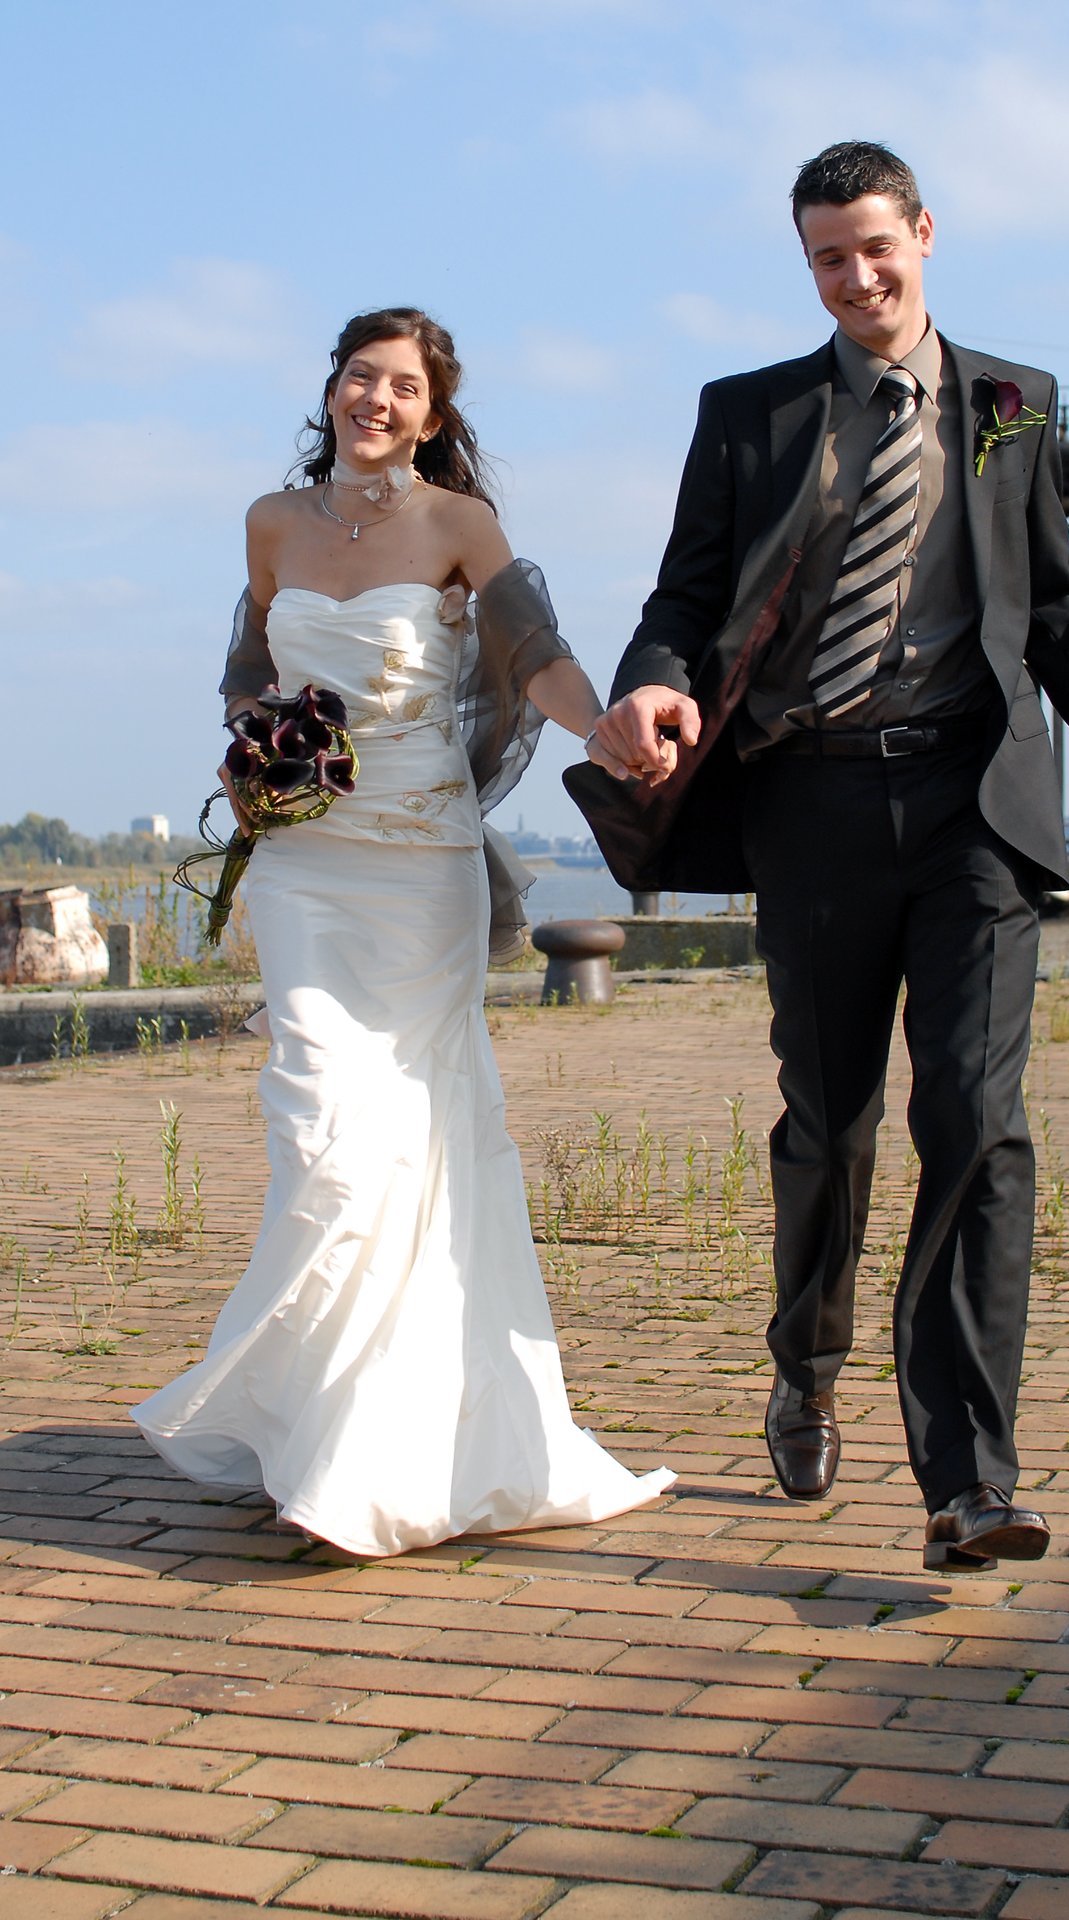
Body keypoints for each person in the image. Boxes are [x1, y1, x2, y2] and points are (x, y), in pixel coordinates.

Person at [571, 143, 1069, 1572]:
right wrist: (652, 678)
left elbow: (1055, 612)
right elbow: (685, 590)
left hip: (977, 808)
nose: (857, 280)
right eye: (826, 260)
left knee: (977, 1121)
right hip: (814, 806)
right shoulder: (752, 412)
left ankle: (970, 1480)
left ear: (925, 232)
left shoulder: (1010, 408)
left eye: (875, 248)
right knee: (833, 1118)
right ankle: (805, 1357)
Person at [133, 307, 673, 1556]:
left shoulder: (461, 526)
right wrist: (255, 749)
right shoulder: (272, 521)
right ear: (330, 388)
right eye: (360, 377)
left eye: (404, 388)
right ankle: (324, 1426)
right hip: (305, 865)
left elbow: (533, 655)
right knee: (320, 1124)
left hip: (419, 868)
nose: (376, 400)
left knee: (407, 1135)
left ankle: (367, 1456)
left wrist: (601, 730)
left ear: (433, 413)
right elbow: (247, 663)